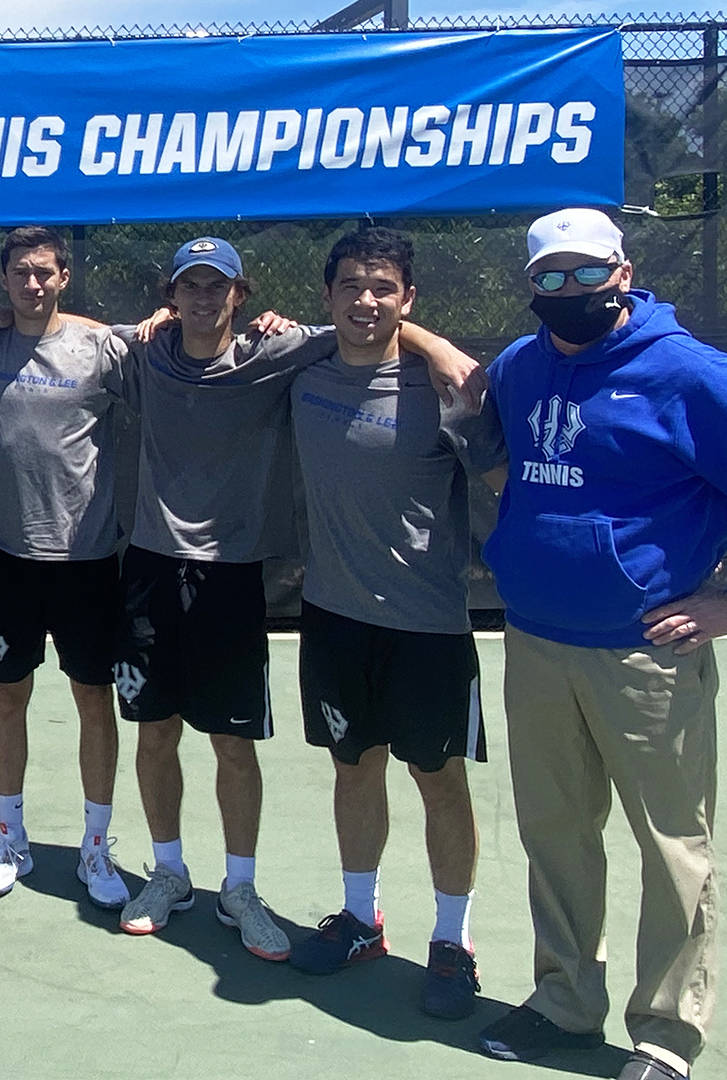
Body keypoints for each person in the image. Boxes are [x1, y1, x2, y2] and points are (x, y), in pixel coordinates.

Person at [105, 236, 478, 962]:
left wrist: (434, 345)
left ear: (242, 297)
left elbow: (375, 320)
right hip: (156, 569)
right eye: (191, 286)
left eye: (219, 287)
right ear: (170, 295)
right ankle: (171, 874)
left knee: (236, 743)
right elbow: (66, 329)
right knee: (158, 735)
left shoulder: (282, 355)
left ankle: (243, 890)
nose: (204, 298)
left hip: (243, 578)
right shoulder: (144, 350)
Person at [476, 207, 727, 1080]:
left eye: (589, 273)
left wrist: (725, 603)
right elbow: (500, 449)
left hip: (646, 654)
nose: (571, 291)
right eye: (553, 277)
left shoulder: (689, 373)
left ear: (624, 272)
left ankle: (666, 1036)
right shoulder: (520, 366)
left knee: (672, 849)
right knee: (556, 834)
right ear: (532, 285)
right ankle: (565, 1003)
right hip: (537, 643)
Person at [282, 227, 502, 1023]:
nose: (365, 300)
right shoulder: (300, 369)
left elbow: (510, 480)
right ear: (327, 295)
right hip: (333, 619)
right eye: (350, 285)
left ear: (407, 299)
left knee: (439, 781)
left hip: (429, 628)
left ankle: (452, 941)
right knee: (353, 768)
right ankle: (359, 920)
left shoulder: (450, 390)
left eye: (383, 288)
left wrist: (433, 347)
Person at [0, 226, 131, 908]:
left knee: (95, 700)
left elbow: (175, 343)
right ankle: (11, 839)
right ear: (3, 280)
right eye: (20, 274)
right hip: (5, 557)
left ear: (64, 277)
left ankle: (96, 848)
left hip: (88, 561)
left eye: (45, 273)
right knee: (9, 696)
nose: (33, 284)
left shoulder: (101, 347)